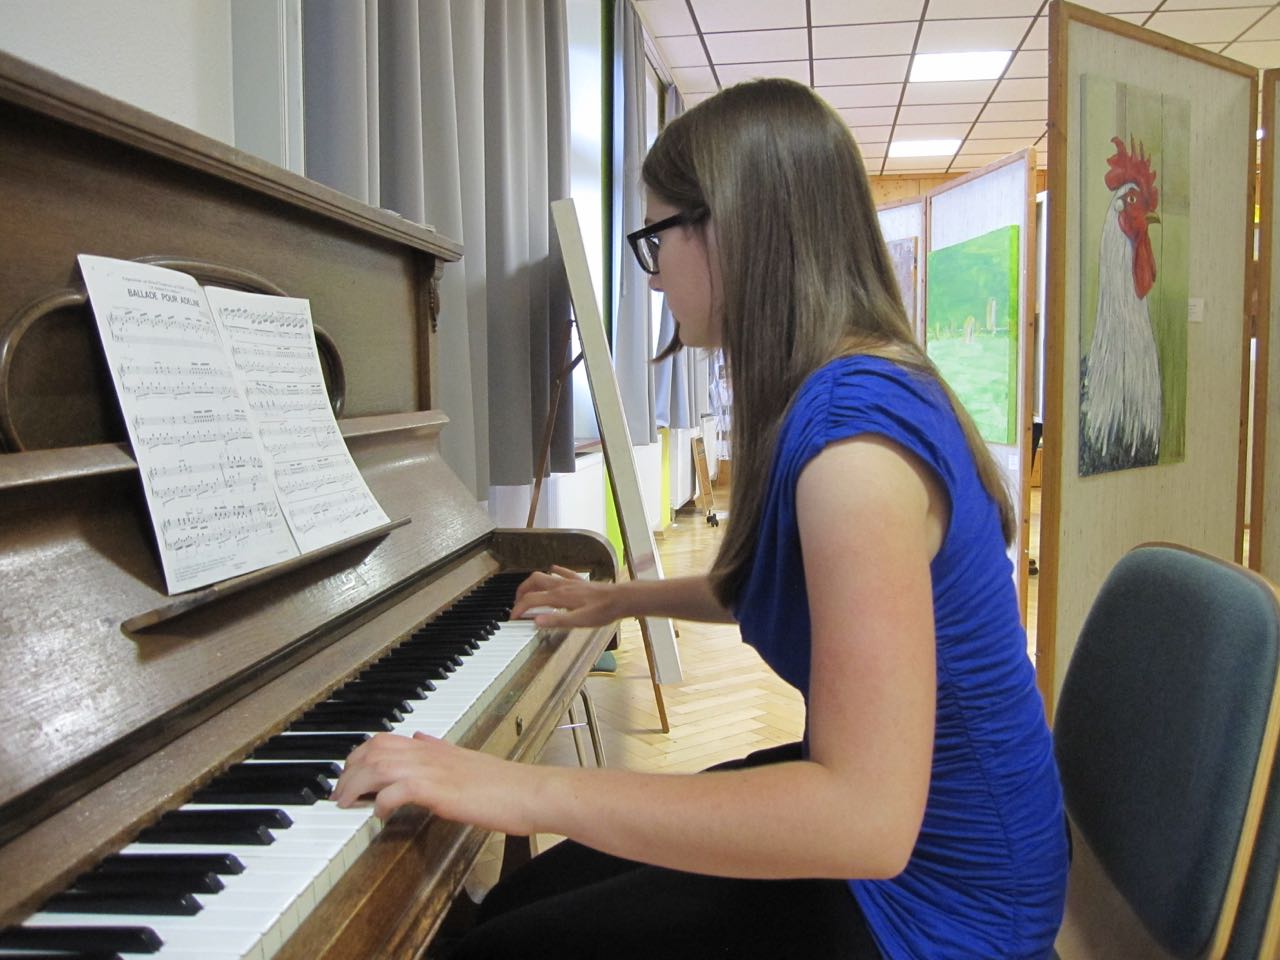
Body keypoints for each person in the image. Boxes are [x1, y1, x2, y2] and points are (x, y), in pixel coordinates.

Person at [332, 77, 1069, 959]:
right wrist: (620, 602)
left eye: (655, 237)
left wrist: (516, 788)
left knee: (495, 944)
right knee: (519, 903)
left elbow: (866, 822)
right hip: (912, 852)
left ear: (734, 229)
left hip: (940, 904)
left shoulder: (852, 452)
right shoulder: (844, 388)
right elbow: (782, 586)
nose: (654, 279)